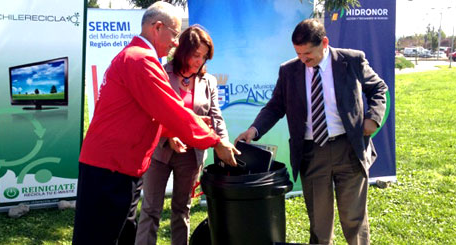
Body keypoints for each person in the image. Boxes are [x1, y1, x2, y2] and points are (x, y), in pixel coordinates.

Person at [72, 2, 239, 244]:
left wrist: (198, 127)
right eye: (174, 34)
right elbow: (170, 111)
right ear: (157, 27)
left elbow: (152, 117)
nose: (175, 43)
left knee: (120, 235)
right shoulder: (140, 60)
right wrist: (214, 141)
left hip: (120, 167)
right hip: (110, 169)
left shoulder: (139, 57)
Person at [235, 19, 387, 245]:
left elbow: (378, 88)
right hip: (312, 153)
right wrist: (254, 130)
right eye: (298, 54)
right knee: (319, 223)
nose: (303, 60)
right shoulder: (289, 71)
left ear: (324, 42)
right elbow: (276, 106)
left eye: (308, 54)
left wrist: (373, 118)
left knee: (353, 219)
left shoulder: (352, 60)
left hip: (349, 149)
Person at [135, 25, 228, 245]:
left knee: (181, 209)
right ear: (183, 51)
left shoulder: (209, 82)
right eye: (196, 55)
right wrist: (168, 137)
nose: (200, 61)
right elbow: (152, 114)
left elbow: (216, 117)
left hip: (192, 156)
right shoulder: (161, 74)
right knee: (150, 209)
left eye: (204, 57)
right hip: (160, 153)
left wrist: (223, 143)